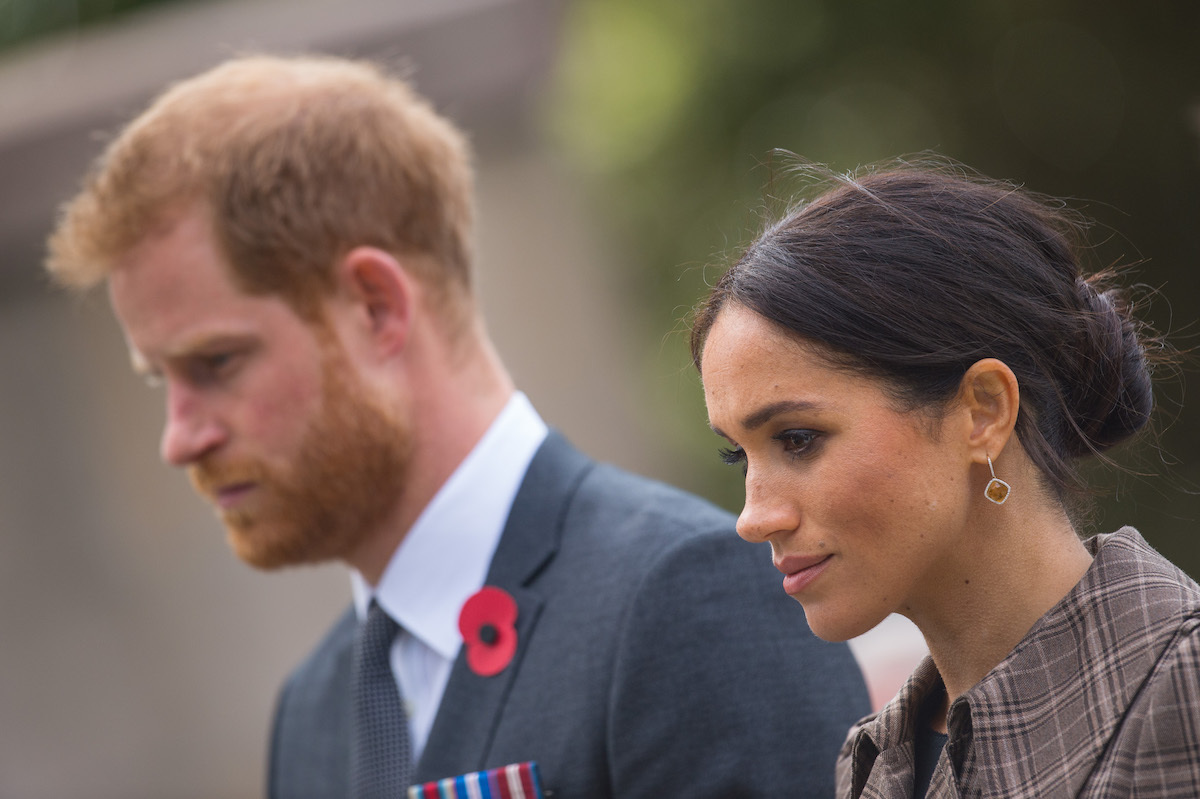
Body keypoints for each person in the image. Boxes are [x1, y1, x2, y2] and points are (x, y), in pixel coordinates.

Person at [45, 55, 870, 798]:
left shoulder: (684, 597)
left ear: (376, 306)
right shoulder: (312, 711)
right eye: (161, 381)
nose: (178, 437)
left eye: (215, 363)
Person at [691, 162, 1200, 798]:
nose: (753, 517)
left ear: (983, 412)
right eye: (740, 457)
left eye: (798, 440)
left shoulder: (1182, 687)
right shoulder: (873, 761)